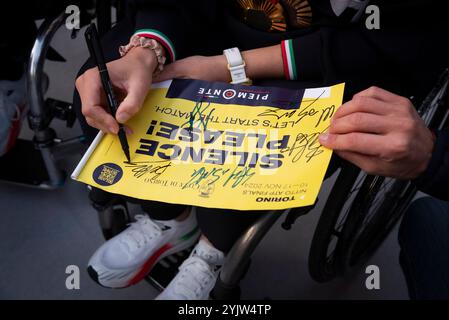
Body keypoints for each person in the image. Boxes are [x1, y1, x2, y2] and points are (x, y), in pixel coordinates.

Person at [74, 0, 448, 299]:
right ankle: (168, 219)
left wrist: (229, 67)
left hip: (326, 57)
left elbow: (391, 40)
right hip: (204, 18)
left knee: (242, 167)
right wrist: (147, 49)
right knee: (112, 103)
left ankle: (212, 252)